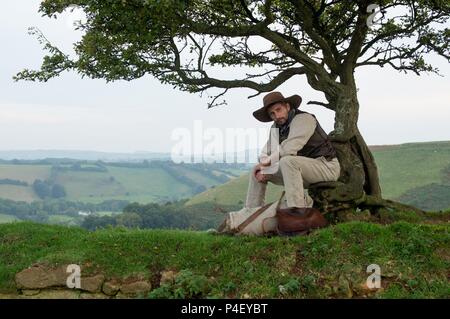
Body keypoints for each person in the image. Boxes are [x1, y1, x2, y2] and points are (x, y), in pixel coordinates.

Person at [245, 91, 341, 232]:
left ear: (288, 106)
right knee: (256, 170)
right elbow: (266, 153)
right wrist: (263, 167)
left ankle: (298, 218)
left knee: (288, 161)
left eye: (279, 110)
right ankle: (250, 216)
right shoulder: (276, 128)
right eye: (272, 113)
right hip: (299, 171)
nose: (277, 116)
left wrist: (267, 163)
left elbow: (289, 148)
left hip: (325, 167)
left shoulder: (304, 119)